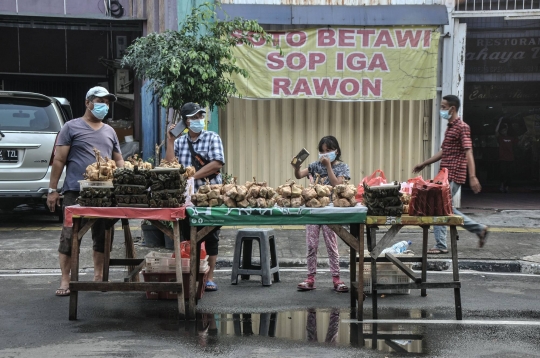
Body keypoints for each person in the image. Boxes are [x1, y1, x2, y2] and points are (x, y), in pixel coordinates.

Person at [47, 86, 124, 296]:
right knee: (69, 236)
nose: (104, 106)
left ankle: (98, 276)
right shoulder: (71, 127)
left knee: (102, 234)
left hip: (106, 193)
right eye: (100, 101)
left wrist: (125, 180)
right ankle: (66, 280)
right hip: (75, 191)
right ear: (87, 102)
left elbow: (118, 159)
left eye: (107, 102)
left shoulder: (110, 131)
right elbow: (59, 160)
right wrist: (53, 190)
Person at [413, 95, 489, 253]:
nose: (441, 110)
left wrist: (473, 176)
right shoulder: (450, 128)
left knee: (439, 208)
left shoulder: (462, 127)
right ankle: (480, 229)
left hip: (454, 174)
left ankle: (441, 245)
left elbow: (469, 152)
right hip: (445, 175)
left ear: (452, 109)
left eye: (443, 107)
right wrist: (424, 163)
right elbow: (444, 152)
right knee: (446, 209)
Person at [166, 102, 224, 292]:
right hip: (187, 199)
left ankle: (209, 277)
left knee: (211, 236)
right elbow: (170, 165)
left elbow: (216, 164)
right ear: (185, 122)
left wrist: (192, 176)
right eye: (193, 117)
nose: (199, 120)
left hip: (210, 197)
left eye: (200, 116)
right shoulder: (180, 142)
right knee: (188, 236)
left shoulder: (212, 137)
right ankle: (192, 275)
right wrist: (170, 141)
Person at [292, 135, 349, 292]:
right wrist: (296, 166)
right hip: (314, 210)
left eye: (329, 151)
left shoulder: (342, 168)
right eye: (322, 151)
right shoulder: (315, 165)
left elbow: (338, 184)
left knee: (331, 245)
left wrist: (329, 167)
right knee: (311, 245)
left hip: (331, 211)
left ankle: (336, 279)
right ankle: (310, 279)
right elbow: (299, 175)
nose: (325, 154)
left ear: (336, 152)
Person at [495, 118, 518, 193]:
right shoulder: (500, 138)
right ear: (501, 132)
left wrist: (509, 125)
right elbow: (496, 131)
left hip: (511, 159)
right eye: (502, 130)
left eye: (505, 130)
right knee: (502, 173)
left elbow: (517, 139)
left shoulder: (511, 138)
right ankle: (501, 186)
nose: (504, 131)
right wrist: (500, 121)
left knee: (510, 174)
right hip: (502, 159)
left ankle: (507, 187)